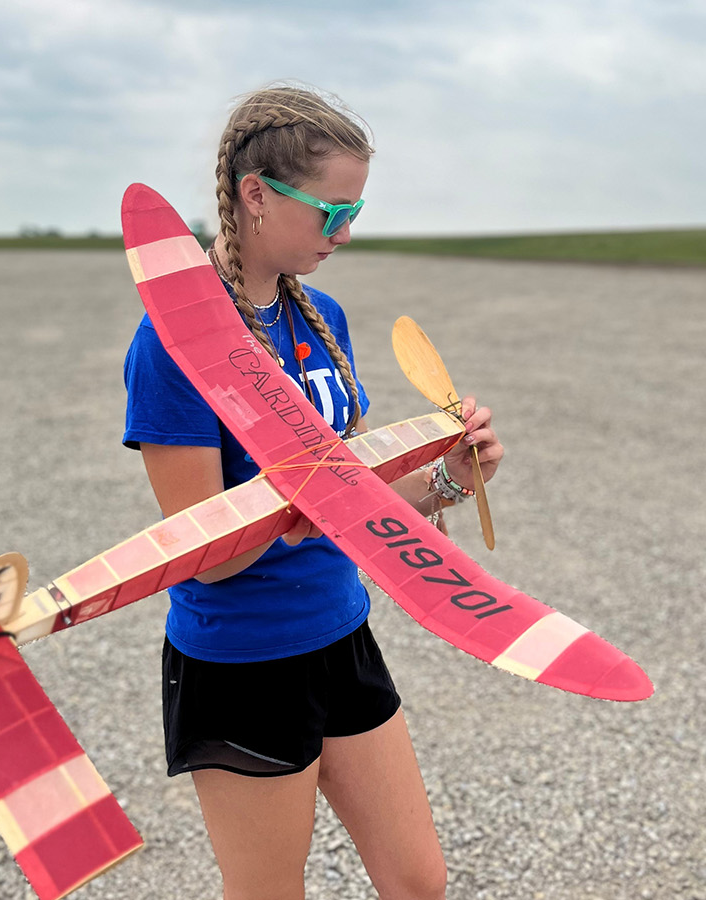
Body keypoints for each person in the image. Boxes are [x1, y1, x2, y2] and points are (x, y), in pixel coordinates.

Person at [121, 84, 503, 900]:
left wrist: (449, 478)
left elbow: (357, 502)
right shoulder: (170, 345)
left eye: (356, 210)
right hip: (242, 661)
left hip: (339, 636)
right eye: (330, 211)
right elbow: (206, 557)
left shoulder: (320, 314)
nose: (346, 232)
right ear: (254, 196)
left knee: (418, 883)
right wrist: (299, 506)